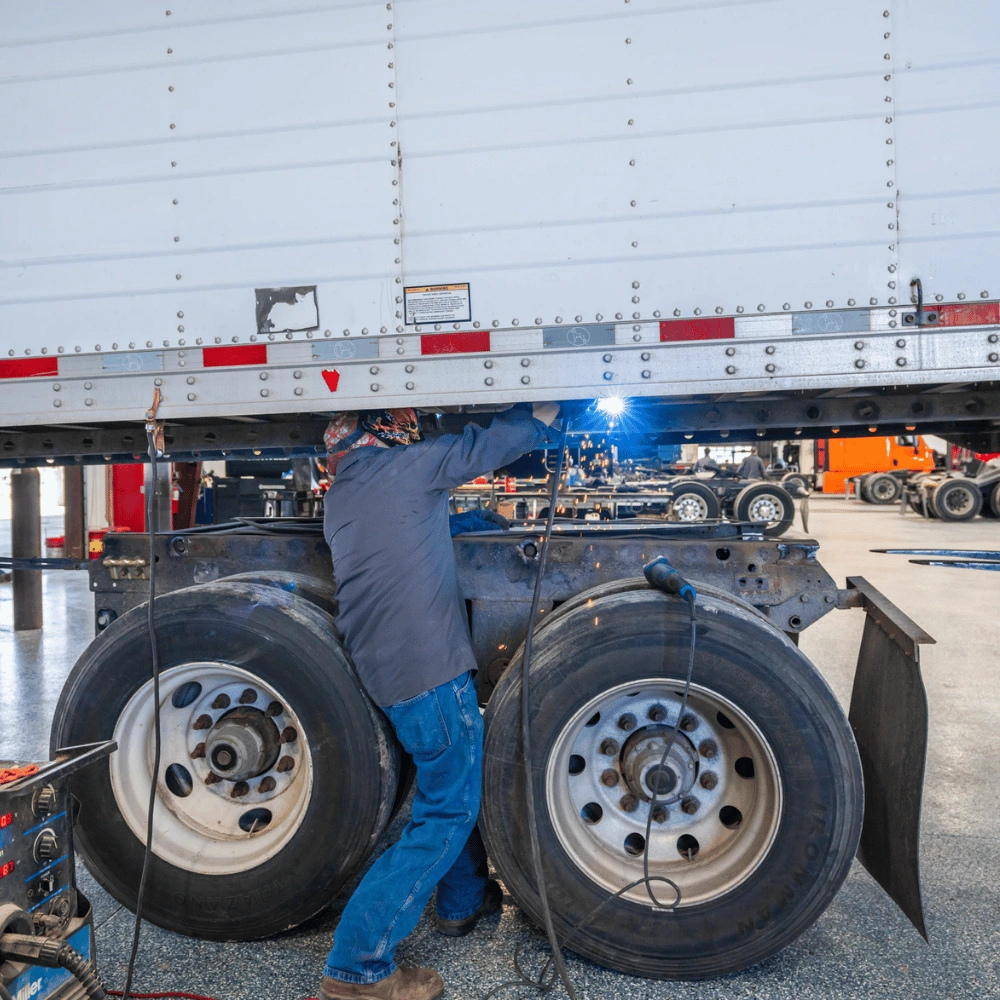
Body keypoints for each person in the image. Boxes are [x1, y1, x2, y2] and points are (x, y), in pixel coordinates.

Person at [319, 403, 560, 1000]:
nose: (413, 435)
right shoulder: (405, 469)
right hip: (427, 672)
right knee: (446, 811)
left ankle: (460, 902)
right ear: (387, 435)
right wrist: (537, 416)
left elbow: (412, 524)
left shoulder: (348, 493)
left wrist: (471, 518)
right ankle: (357, 966)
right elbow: (479, 446)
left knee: (445, 788)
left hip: (390, 670)